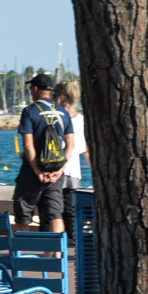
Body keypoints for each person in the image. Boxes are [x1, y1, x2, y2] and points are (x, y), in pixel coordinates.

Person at [12, 73, 75, 232]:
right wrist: (59, 171)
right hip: (55, 172)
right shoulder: (62, 111)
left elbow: (27, 145)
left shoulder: (30, 111)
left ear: (34, 89)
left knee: (23, 214)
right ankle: (56, 255)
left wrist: (37, 171)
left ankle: (21, 253)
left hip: (31, 173)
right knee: (55, 214)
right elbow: (70, 145)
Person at [53, 79, 90, 234]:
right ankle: (72, 249)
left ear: (61, 98)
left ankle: (55, 252)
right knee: (71, 214)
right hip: (74, 173)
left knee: (54, 214)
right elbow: (86, 150)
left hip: (55, 172)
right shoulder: (81, 119)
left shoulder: (54, 117)